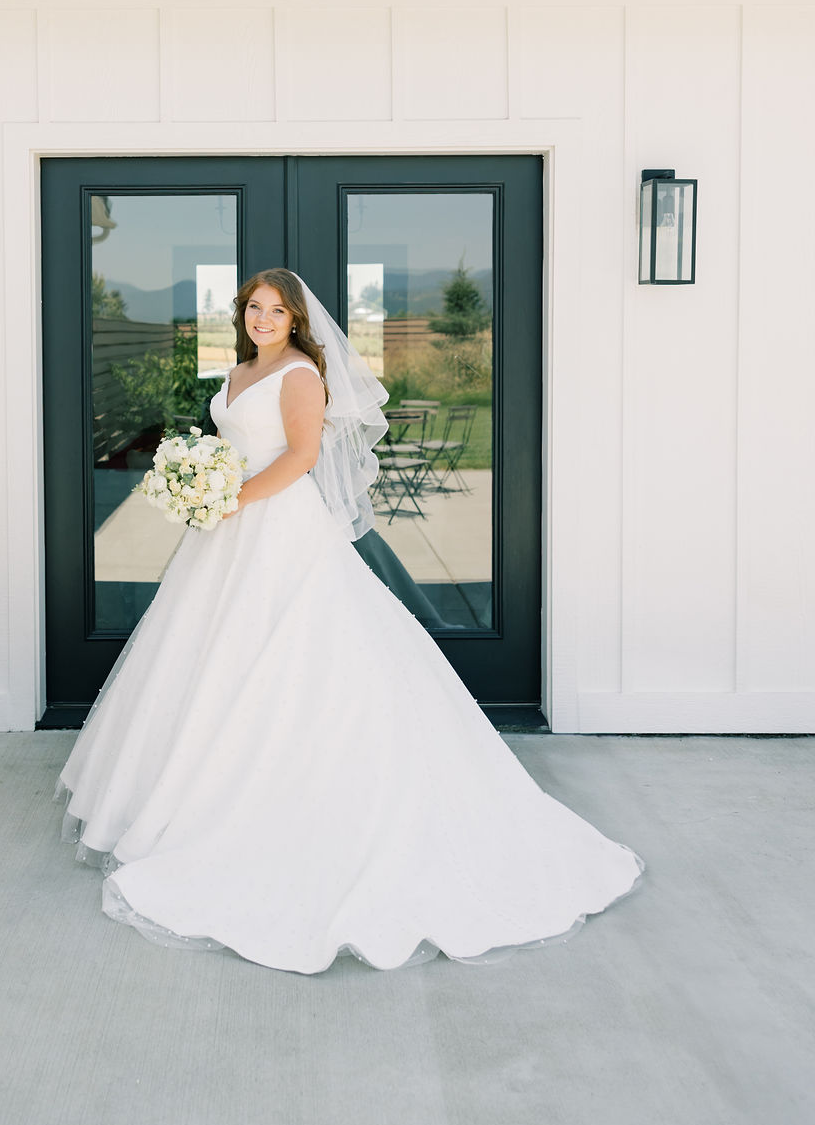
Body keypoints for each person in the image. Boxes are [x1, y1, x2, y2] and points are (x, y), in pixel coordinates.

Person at [57, 269, 642, 974]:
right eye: (254, 308)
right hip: (230, 529)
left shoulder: (301, 374)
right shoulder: (241, 371)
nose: (263, 318)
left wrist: (229, 497)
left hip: (275, 526)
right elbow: (239, 445)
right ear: (242, 313)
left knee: (297, 658)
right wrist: (206, 484)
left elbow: (302, 457)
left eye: (276, 310)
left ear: (296, 319)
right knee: (212, 658)